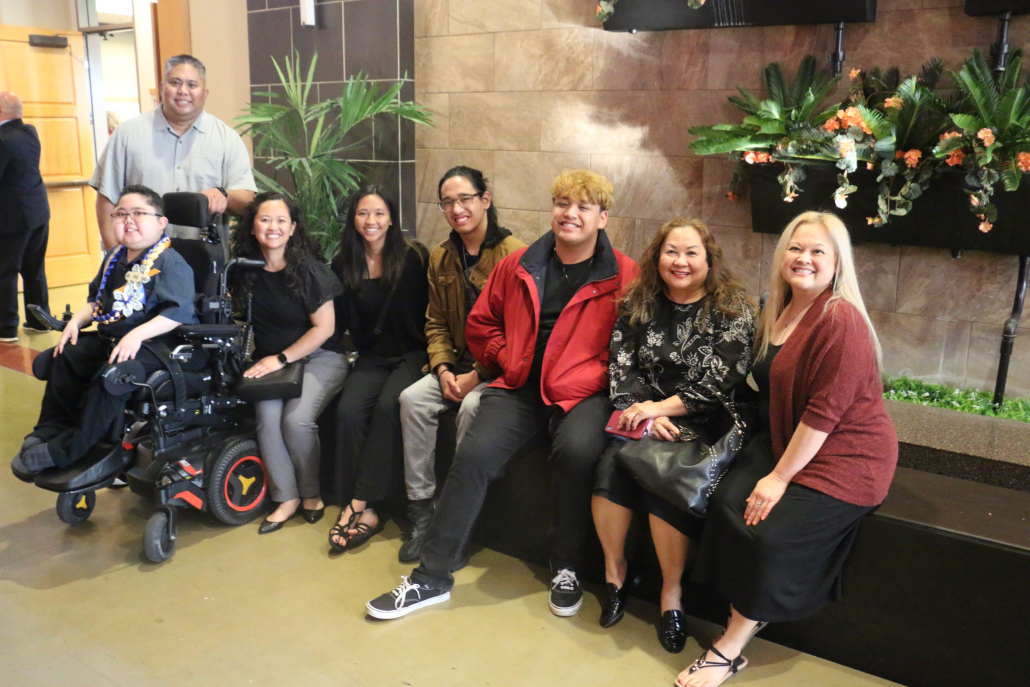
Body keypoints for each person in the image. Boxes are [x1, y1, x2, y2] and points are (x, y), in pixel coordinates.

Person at [365, 169, 636, 620]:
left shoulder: (625, 274)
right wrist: (508, 358)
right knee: (472, 457)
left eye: (583, 207)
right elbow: (480, 324)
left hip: (582, 395)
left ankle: (566, 566)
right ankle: (431, 578)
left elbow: (630, 347)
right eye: (562, 204)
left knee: (577, 453)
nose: (569, 214)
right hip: (520, 387)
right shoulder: (521, 264)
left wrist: (588, 378)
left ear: (602, 217)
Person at [677, 211, 898, 687]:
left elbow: (824, 414)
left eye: (819, 251)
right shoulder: (779, 307)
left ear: (838, 262)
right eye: (797, 248)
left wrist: (778, 479)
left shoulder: (841, 320)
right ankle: (741, 601)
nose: (804, 258)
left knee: (770, 535)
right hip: (786, 440)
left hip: (845, 458)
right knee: (725, 504)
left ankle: (730, 646)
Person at [594, 218, 754, 653]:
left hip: (706, 418)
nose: (679, 262)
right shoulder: (638, 301)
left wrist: (661, 410)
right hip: (642, 414)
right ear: (657, 256)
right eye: (671, 252)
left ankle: (671, 594)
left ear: (708, 259)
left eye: (690, 253)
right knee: (611, 463)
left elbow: (721, 379)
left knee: (668, 476)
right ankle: (615, 573)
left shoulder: (732, 307)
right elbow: (621, 365)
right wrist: (641, 413)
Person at [11, 185, 200, 475]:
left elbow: (178, 313)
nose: (128, 220)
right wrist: (75, 322)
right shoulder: (115, 257)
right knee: (67, 353)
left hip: (157, 345)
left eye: (139, 213)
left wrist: (135, 335)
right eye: (121, 213)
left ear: (161, 222)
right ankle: (50, 429)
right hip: (113, 336)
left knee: (113, 373)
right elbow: (97, 302)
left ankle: (70, 449)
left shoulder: (170, 262)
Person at [396, 166, 524, 562]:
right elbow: (434, 322)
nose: (457, 209)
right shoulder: (442, 255)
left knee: (472, 408)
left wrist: (476, 375)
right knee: (411, 400)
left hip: (496, 370)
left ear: (485, 199)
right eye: (448, 202)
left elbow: (519, 334)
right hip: (455, 365)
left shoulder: (514, 255)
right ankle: (422, 510)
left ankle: (460, 519)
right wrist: (444, 369)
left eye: (465, 199)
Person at [230, 192, 348, 535]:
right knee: (267, 420)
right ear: (252, 227)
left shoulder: (309, 271)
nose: (273, 227)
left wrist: (279, 358)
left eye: (281, 220)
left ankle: (311, 493)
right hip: (272, 362)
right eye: (265, 219)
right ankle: (287, 497)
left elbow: (324, 329)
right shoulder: (244, 271)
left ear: (293, 228)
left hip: (320, 357)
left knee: (295, 421)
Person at [329, 185, 429, 552]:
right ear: (353, 219)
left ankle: (363, 503)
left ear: (391, 218)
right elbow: (337, 321)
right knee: (348, 413)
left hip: (412, 353)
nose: (371, 221)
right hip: (371, 357)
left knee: (390, 408)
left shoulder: (414, 256)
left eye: (379, 213)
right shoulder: (344, 262)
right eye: (362, 213)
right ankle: (366, 505)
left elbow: (431, 313)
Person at [90, 55, 256, 249]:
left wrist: (223, 195)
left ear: (205, 93)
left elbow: (247, 201)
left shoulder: (227, 139)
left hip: (203, 258)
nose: (183, 91)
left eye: (192, 85)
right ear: (161, 87)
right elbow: (107, 198)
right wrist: (115, 257)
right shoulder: (127, 134)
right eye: (175, 83)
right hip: (141, 258)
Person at [0, 91, 51, 341]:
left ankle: (6, 328)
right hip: (38, 213)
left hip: (12, 219)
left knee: (5, 272)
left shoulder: (2, 139)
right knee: (34, 270)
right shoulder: (30, 131)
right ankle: (40, 321)